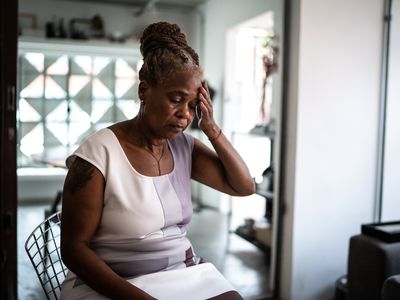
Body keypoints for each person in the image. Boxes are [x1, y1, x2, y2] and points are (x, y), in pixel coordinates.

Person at [60, 21, 255, 300]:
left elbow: (243, 186)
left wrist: (211, 129)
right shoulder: (98, 155)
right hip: (113, 283)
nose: (185, 115)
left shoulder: (183, 146)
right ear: (143, 91)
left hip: (179, 273)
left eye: (192, 105)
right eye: (176, 99)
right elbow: (74, 250)